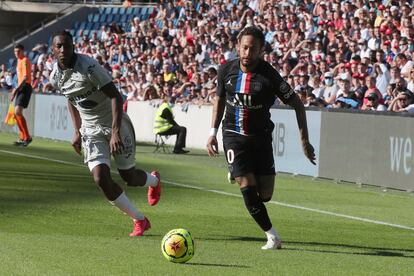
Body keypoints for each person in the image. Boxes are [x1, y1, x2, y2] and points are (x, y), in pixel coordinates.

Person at [206, 26, 316, 250]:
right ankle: (272, 236)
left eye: (252, 49)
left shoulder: (269, 76)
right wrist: (212, 133)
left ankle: (237, 170)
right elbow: (218, 101)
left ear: (261, 50)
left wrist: (304, 140)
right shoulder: (226, 70)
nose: (247, 53)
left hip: (261, 138)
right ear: (238, 46)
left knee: (265, 195)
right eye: (244, 48)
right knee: (246, 184)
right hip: (233, 136)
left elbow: (297, 104)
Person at [49, 30, 161, 237]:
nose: (63, 50)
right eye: (59, 46)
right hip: (90, 130)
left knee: (129, 176)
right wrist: (77, 130)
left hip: (115, 123)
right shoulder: (55, 76)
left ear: (74, 46)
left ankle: (153, 181)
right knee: (101, 178)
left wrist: (115, 132)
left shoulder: (89, 67)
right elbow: (71, 99)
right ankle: (139, 219)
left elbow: (115, 97)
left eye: (67, 45)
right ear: (53, 50)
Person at [10, 43, 33, 146]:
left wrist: (17, 89)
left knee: (18, 111)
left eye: (18, 51)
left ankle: (27, 137)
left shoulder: (25, 61)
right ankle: (23, 137)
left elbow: (25, 78)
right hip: (20, 88)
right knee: (16, 113)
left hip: (25, 87)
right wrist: (15, 89)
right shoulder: (18, 61)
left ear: (23, 51)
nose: (16, 53)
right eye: (15, 51)